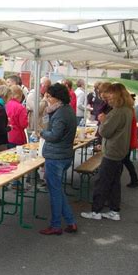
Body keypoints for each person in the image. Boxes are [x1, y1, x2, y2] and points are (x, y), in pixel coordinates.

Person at [81, 83, 133, 221]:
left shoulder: (117, 112)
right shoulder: (128, 110)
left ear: (117, 95)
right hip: (120, 150)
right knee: (114, 182)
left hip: (112, 150)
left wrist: (103, 121)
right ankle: (114, 210)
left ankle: (96, 211)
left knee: (102, 182)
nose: (107, 98)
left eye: (110, 95)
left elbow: (105, 131)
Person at [38, 83, 77, 235]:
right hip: (63, 154)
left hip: (56, 156)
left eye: (49, 97)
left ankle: (55, 225)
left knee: (55, 192)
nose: (47, 99)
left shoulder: (61, 113)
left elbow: (54, 135)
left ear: (57, 98)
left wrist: (42, 133)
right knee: (58, 190)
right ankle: (70, 221)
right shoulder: (67, 110)